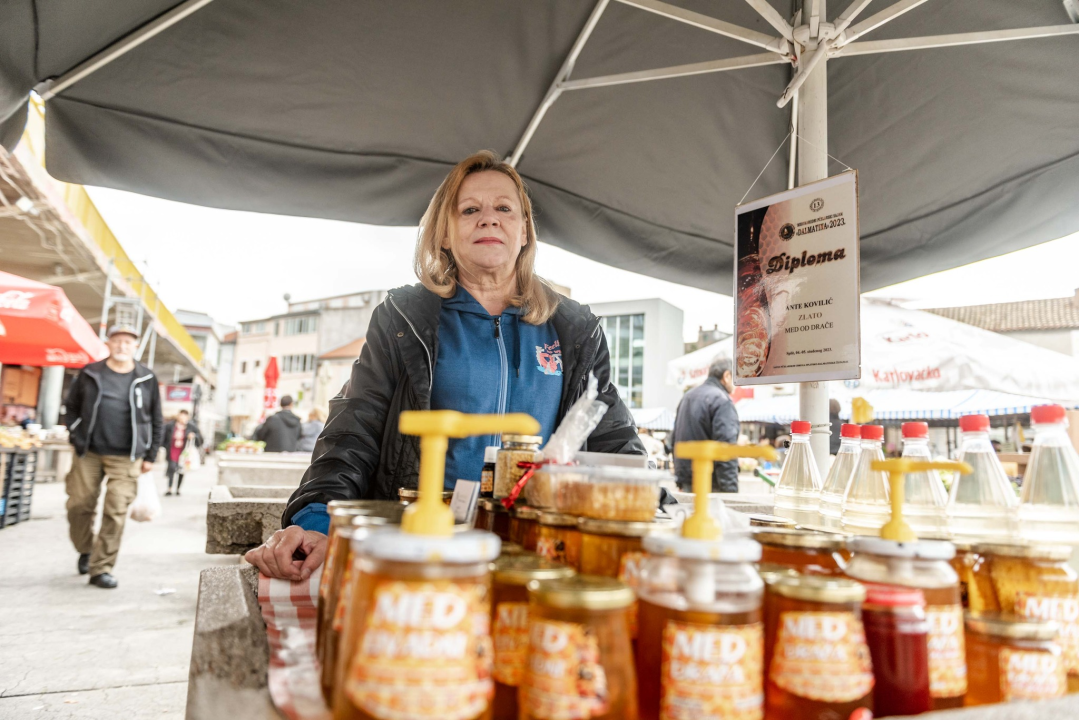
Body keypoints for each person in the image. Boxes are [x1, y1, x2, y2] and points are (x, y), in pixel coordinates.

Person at [245, 150, 645, 581]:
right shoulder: (404, 317)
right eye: (470, 209)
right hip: (420, 548)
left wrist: (655, 511)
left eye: (504, 209)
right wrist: (317, 521)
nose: (489, 219)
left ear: (525, 231)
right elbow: (354, 429)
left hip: (535, 555)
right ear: (444, 234)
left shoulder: (574, 328)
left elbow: (614, 441)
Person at [62, 324, 162, 589]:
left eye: (128, 342)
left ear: (135, 346)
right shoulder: (90, 372)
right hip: (89, 453)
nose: (122, 346)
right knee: (78, 505)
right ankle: (86, 549)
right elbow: (70, 407)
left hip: (127, 457)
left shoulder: (146, 378)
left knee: (115, 510)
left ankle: (101, 568)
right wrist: (75, 433)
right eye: (117, 341)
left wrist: (150, 455)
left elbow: (156, 420)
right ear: (108, 344)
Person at [670, 357, 740, 493]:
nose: (737, 384)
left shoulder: (687, 397)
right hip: (710, 484)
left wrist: (680, 479)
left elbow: (675, 439)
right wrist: (731, 492)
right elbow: (726, 449)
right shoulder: (722, 401)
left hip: (686, 482)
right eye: (736, 377)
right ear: (726, 376)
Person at [162, 409, 202, 496]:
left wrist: (193, 436)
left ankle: (178, 489)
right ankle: (169, 488)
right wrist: (164, 446)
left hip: (184, 452)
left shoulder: (191, 426)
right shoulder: (171, 425)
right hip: (172, 449)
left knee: (181, 470)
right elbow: (163, 436)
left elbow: (200, 437)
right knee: (172, 468)